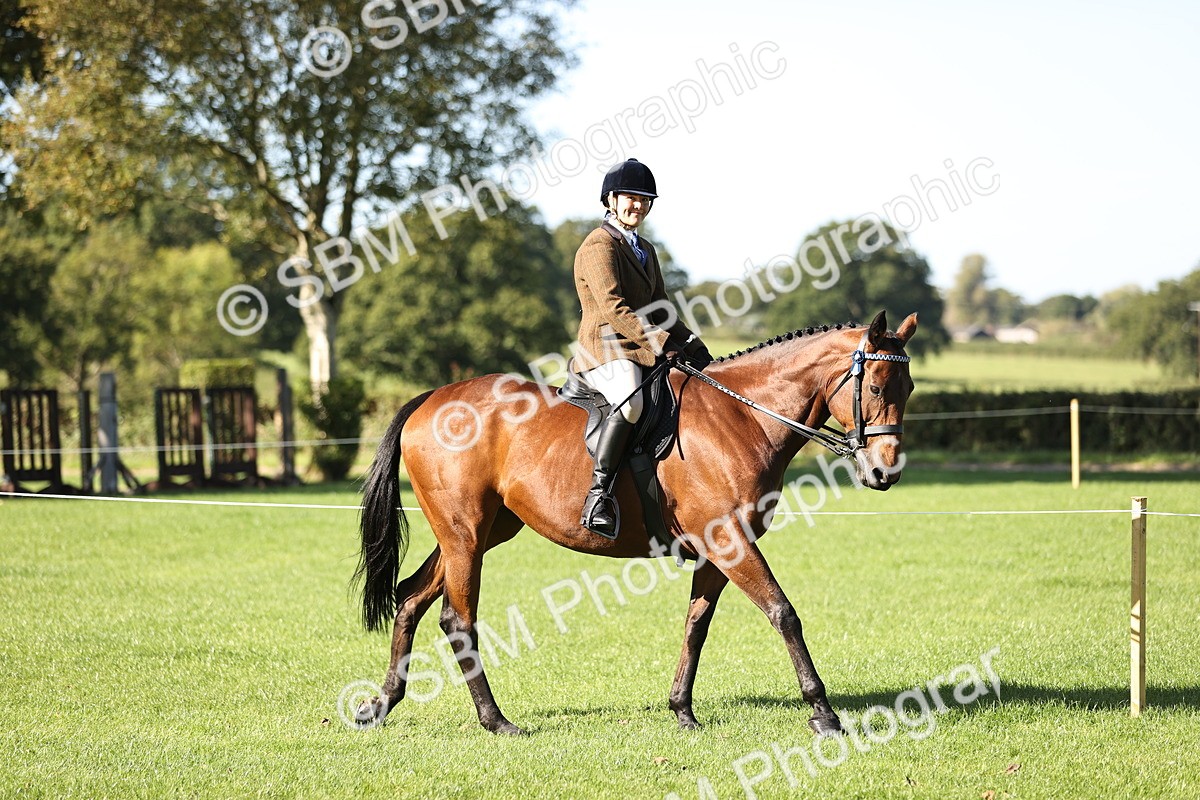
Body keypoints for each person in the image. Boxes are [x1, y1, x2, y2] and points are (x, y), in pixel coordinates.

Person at [571, 158, 713, 538]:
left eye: (644, 199)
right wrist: (662, 343)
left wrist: (690, 342)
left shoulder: (645, 248)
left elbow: (660, 307)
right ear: (611, 200)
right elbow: (614, 309)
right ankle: (598, 495)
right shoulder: (598, 245)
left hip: (640, 347)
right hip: (605, 349)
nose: (638, 205)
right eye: (630, 198)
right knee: (631, 402)